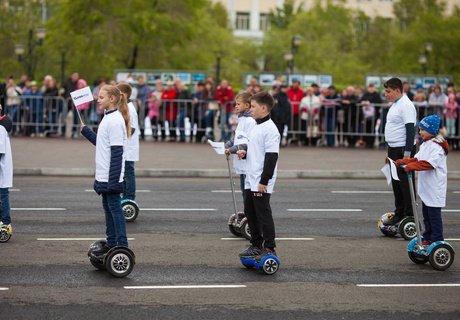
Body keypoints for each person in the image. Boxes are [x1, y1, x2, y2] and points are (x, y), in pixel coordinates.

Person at [80, 85, 131, 254]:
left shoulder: (115, 121)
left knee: (115, 210)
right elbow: (102, 144)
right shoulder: (107, 118)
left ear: (112, 99)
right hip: (104, 174)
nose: (97, 99)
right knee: (108, 210)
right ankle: (111, 242)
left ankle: (122, 245)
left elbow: (117, 153)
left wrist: (113, 180)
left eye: (101, 97)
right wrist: (86, 131)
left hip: (111, 175)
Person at [236, 91, 280, 260]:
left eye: (253, 106)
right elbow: (256, 151)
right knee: (250, 212)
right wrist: (244, 154)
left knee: (263, 213)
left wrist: (264, 181)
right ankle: (256, 244)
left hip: (261, 179)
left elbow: (271, 157)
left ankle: (270, 247)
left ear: (263, 108)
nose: (251, 109)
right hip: (250, 177)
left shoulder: (270, 129)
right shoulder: (255, 126)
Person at [396, 115, 448, 245]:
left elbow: (429, 164)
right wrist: (405, 161)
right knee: (426, 216)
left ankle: (437, 239)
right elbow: (418, 159)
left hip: (435, 188)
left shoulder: (438, 147)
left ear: (431, 130)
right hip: (426, 188)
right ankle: (427, 237)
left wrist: (411, 166)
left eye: (422, 129)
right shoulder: (426, 144)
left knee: (434, 217)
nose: (420, 132)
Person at [383, 77, 417, 226]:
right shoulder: (395, 104)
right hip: (393, 148)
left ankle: (409, 215)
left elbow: (411, 130)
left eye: (388, 91)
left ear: (397, 90)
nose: (386, 94)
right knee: (396, 183)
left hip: (403, 149)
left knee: (405, 184)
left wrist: (407, 155)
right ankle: (399, 212)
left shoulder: (406, 105)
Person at [224, 92, 256, 198]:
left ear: (247, 105)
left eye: (238, 104)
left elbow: (249, 142)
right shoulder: (242, 119)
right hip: (241, 162)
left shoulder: (250, 121)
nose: (235, 106)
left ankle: (250, 213)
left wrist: (232, 149)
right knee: (244, 191)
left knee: (247, 193)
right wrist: (229, 144)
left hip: (247, 163)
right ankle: (248, 213)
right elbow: (239, 137)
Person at [117, 83, 139, 201]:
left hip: (129, 148)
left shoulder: (130, 109)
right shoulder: (124, 107)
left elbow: (132, 128)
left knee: (128, 174)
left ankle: (130, 198)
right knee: (125, 174)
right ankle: (125, 197)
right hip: (125, 147)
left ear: (124, 95)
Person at [0, 114, 13, 236]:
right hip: (2, 173)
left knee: (3, 198)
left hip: (2, 174)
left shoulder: (0, 129)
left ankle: (5, 223)